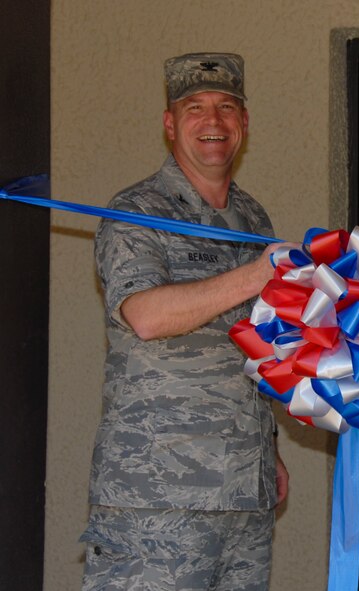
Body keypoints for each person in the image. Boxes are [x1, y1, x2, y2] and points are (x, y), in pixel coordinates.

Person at [80, 52, 292, 590]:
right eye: (194, 107)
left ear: (243, 124)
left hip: (245, 491)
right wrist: (254, 275)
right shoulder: (135, 212)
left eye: (227, 107)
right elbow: (145, 316)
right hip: (158, 496)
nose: (214, 121)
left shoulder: (252, 217)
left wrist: (270, 451)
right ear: (170, 124)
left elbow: (258, 340)